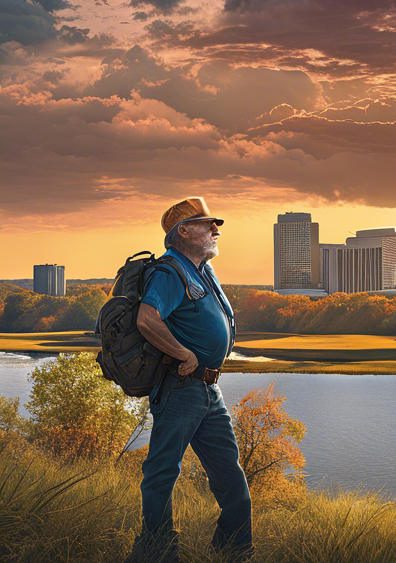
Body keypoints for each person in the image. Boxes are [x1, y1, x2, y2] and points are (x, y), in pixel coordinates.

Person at [127, 197, 250, 562]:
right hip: (181, 387)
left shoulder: (201, 269)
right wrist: (183, 353)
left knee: (229, 474)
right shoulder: (169, 271)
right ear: (183, 231)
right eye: (208, 224)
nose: (216, 230)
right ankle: (156, 551)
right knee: (162, 472)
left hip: (209, 390)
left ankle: (235, 550)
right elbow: (147, 319)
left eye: (217, 224)